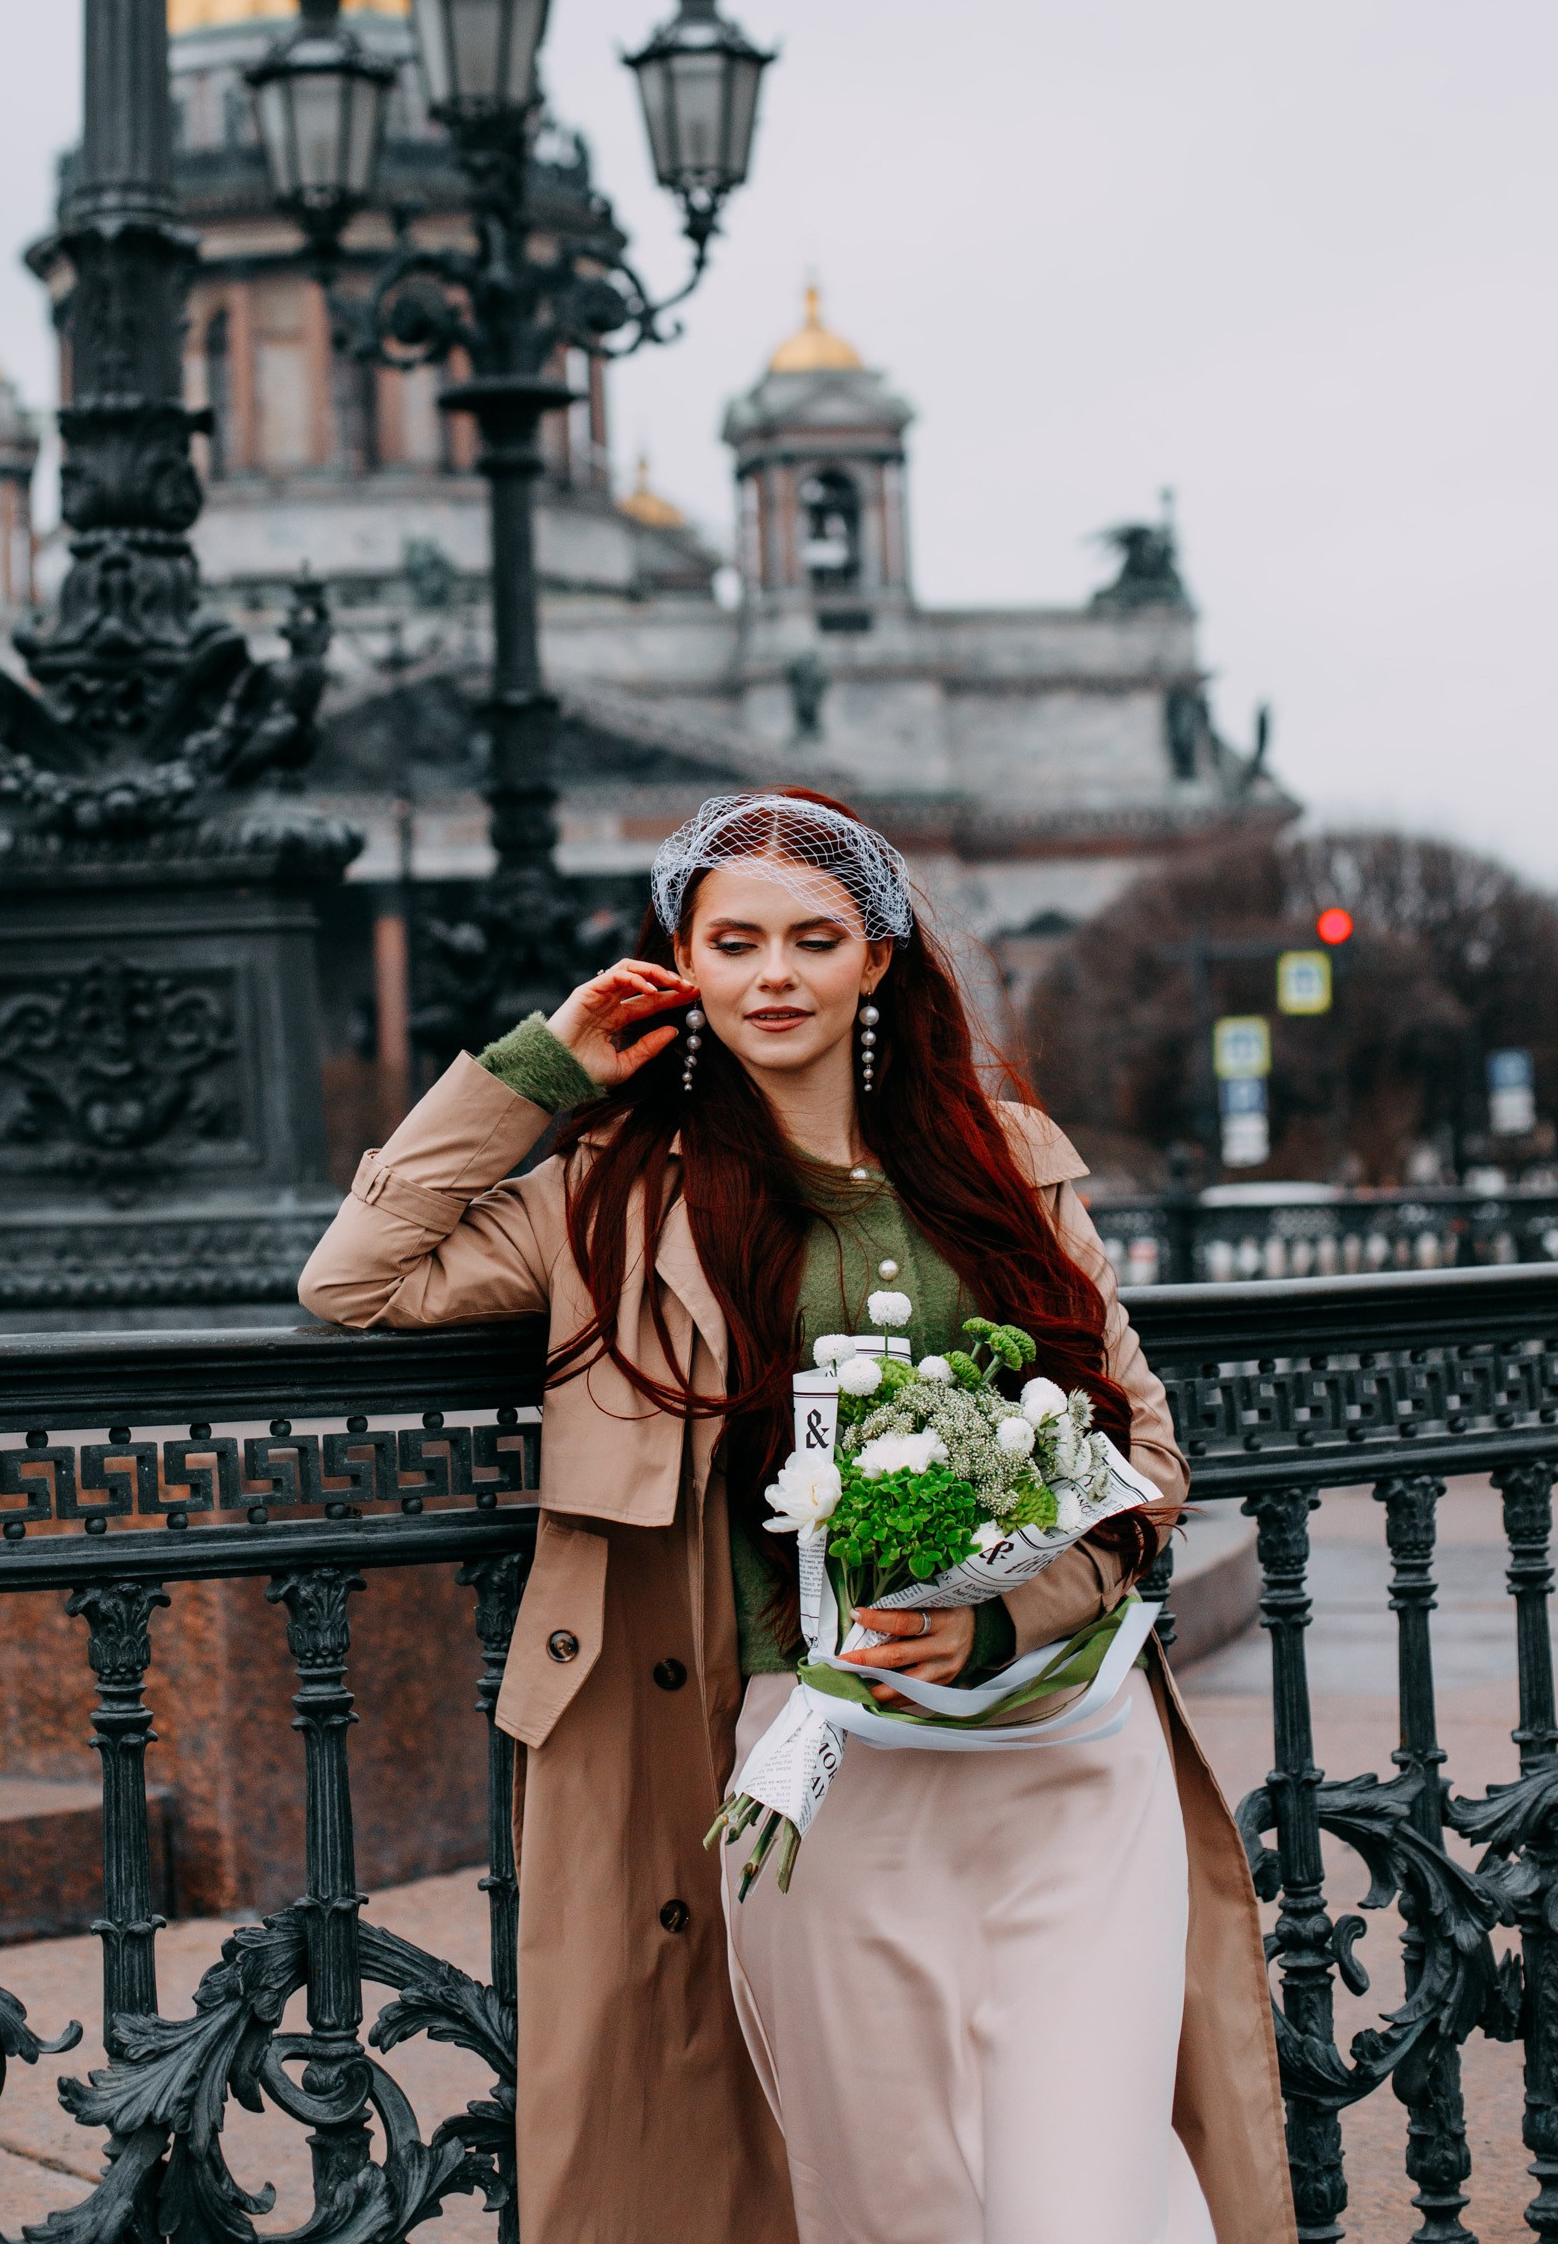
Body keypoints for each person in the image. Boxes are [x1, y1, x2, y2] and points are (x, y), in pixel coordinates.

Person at [299, 787, 1290, 2244]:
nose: (775, 975)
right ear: (680, 965)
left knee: (1095, 2197)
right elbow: (356, 1277)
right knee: (900, 2205)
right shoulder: (614, 1195)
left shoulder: (1007, 1162)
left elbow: (1141, 1451)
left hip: (1066, 1750)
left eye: (816, 939)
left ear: (877, 963)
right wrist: (539, 1070)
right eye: (735, 939)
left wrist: (1013, 1610)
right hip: (816, 1769)